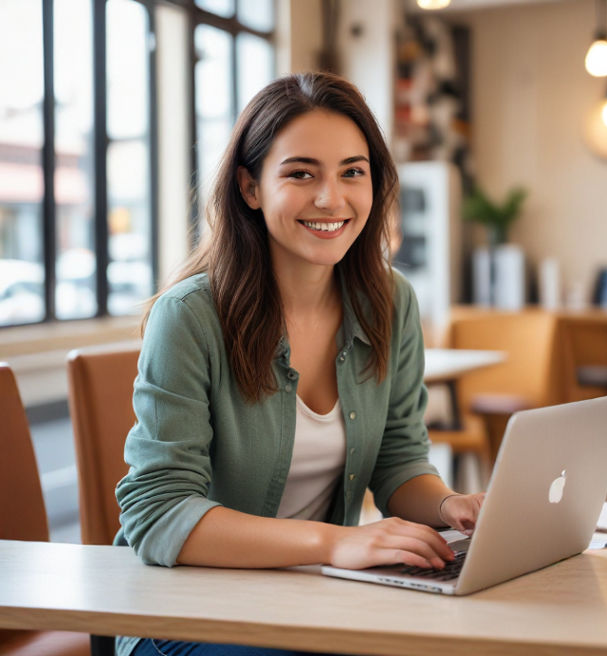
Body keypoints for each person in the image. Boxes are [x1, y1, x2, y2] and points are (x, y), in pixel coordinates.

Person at [115, 72, 484, 656]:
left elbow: (398, 460)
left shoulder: (390, 302)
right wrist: (334, 542)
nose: (330, 198)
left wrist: (448, 506)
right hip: (184, 613)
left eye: (352, 172)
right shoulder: (188, 316)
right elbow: (159, 512)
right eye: (300, 173)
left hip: (313, 599)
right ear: (250, 187)